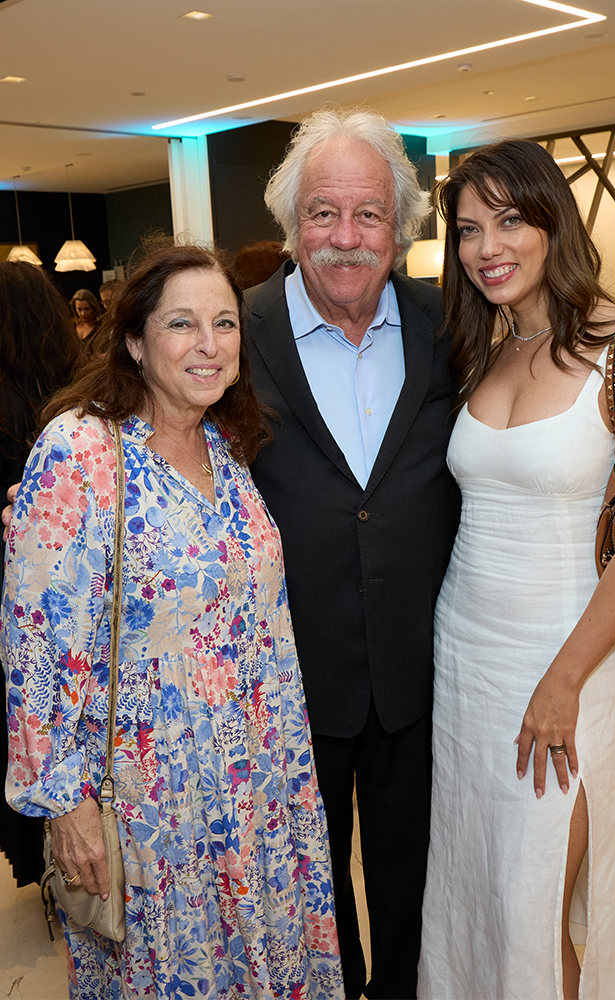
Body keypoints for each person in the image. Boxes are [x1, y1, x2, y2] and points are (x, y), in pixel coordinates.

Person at [1, 242, 343, 999]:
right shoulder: (81, 449)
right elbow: (34, 643)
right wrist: (65, 803)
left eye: (225, 323)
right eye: (182, 324)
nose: (209, 344)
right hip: (152, 793)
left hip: (259, 773)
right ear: (133, 339)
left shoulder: (226, 445)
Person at [417, 139, 615, 1000]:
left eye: (509, 220)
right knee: (485, 892)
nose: (485, 247)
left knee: (538, 899)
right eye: (467, 229)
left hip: (578, 661)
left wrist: (563, 679)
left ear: (553, 223)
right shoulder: (486, 347)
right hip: (468, 657)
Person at [245, 107, 461, 999]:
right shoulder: (234, 329)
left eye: (368, 214)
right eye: (324, 213)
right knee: (311, 891)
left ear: (400, 226)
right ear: (293, 223)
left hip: (420, 665)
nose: (345, 237)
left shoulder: (450, 324)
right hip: (288, 675)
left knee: (415, 876)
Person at [0, 261, 79, 887]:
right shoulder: (78, 392)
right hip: (65, 590)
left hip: (17, 582)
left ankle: (38, 850)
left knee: (24, 711)